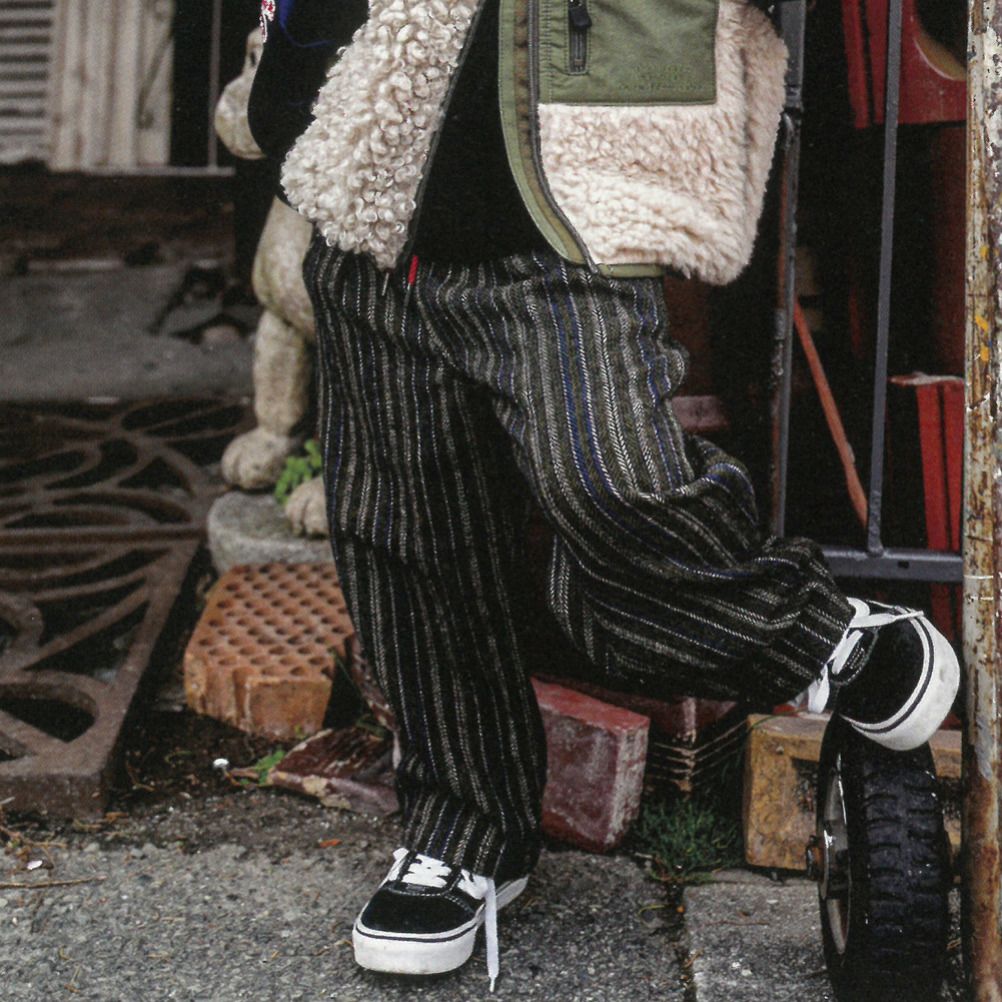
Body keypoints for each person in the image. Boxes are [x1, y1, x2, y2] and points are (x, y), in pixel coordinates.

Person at [248, 0, 960, 989]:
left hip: (570, 209)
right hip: (373, 211)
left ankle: (817, 634)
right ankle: (464, 833)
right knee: (408, 538)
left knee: (611, 481)